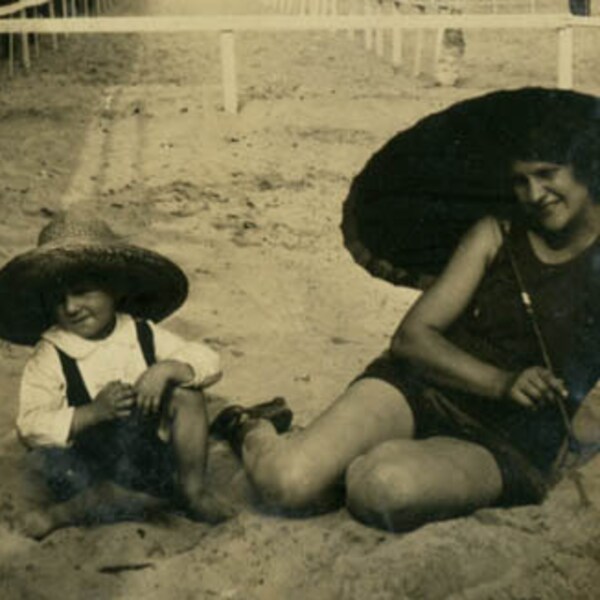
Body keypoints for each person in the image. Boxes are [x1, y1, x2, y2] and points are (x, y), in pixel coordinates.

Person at [211, 112, 600, 531]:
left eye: (547, 175)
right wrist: (503, 382)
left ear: (585, 168)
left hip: (512, 439)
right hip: (424, 385)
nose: (534, 194)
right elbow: (412, 339)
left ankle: (359, 454)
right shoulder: (497, 234)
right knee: (287, 482)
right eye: (521, 181)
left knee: (383, 489)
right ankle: (251, 425)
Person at [0, 212, 241, 539]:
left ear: (114, 289)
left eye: (83, 291)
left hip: (147, 455)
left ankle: (193, 490)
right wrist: (92, 412)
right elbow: (30, 425)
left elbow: (208, 361)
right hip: (88, 464)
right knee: (92, 488)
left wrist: (166, 369)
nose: (71, 307)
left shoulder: (141, 332)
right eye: (59, 298)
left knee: (187, 394)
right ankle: (63, 514)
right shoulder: (52, 352)